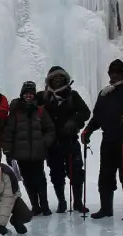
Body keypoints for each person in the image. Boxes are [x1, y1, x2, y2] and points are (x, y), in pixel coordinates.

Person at [81, 59, 123, 221]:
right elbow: (97, 116)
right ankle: (106, 208)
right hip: (109, 138)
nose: (114, 75)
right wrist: (88, 130)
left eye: (118, 72)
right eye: (112, 72)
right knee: (105, 174)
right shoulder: (105, 93)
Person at [37, 65, 91, 213]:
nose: (58, 81)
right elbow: (26, 104)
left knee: (76, 173)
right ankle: (62, 201)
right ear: (50, 81)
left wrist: (74, 122)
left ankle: (78, 202)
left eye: (61, 78)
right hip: (52, 144)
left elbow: (85, 112)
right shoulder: (43, 96)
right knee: (56, 173)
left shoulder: (73, 95)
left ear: (65, 79)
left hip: (70, 141)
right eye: (54, 79)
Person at [2, 81, 56, 216]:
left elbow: (50, 129)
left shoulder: (40, 111)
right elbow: (8, 132)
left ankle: (45, 205)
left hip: (37, 153)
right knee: (28, 180)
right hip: (21, 154)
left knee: (40, 180)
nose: (29, 96)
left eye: (31, 93)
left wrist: (45, 142)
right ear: (22, 95)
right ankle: (35, 206)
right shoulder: (16, 112)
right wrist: (7, 151)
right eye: (26, 93)